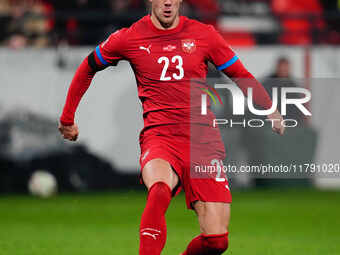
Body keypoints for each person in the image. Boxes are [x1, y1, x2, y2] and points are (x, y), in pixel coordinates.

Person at [58, 0, 285, 254]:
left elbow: (239, 73)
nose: (167, 1)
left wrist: (269, 108)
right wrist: (68, 117)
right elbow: (89, 66)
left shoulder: (204, 35)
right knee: (159, 190)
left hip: (202, 142)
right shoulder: (129, 37)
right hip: (160, 137)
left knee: (217, 241)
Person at [262, 57, 304, 122]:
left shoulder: (293, 86)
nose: (283, 70)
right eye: (282, 67)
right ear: (277, 67)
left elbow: (297, 107)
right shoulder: (267, 84)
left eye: (286, 67)